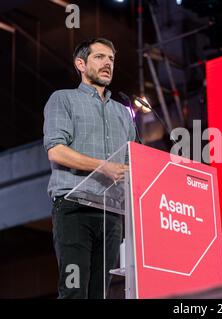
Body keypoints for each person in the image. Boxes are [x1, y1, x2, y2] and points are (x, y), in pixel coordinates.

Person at [43, 37, 136, 299]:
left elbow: (135, 161)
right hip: (74, 209)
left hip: (111, 214)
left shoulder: (123, 113)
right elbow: (56, 150)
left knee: (99, 295)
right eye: (100, 57)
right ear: (80, 64)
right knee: (74, 292)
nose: (108, 63)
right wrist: (103, 167)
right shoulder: (63, 99)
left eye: (112, 59)